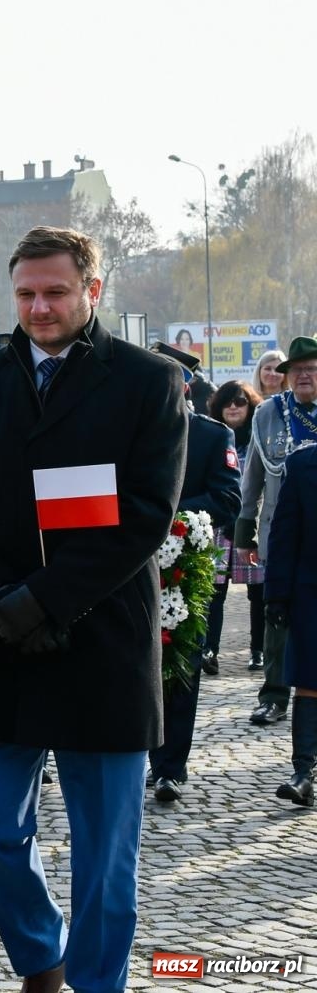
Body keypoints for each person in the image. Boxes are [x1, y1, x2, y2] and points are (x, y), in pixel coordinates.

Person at [0, 225, 186, 993]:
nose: (39, 308)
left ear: (93, 291)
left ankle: (100, 983)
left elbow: (145, 514)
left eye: (55, 292)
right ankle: (42, 955)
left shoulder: (148, 380)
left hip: (101, 640)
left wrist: (44, 599)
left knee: (107, 851)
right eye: (26, 294)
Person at [146, 342, 241, 804]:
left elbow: (228, 499)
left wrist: (171, 515)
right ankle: (132, 757)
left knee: (178, 664)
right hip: (125, 563)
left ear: (185, 384)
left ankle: (169, 768)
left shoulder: (210, 436)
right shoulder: (129, 432)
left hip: (184, 564)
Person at [237, 337, 317, 727]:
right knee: (277, 614)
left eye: (312, 369)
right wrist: (244, 531)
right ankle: (273, 695)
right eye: (297, 370)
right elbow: (252, 474)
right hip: (281, 531)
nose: (303, 375)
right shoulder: (269, 413)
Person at [265, 443, 317, 807]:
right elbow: (284, 535)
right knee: (311, 682)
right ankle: (304, 774)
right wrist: (276, 596)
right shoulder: (302, 465)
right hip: (311, 592)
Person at [207, 380, 267, 670]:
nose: (233, 406)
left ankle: (258, 650)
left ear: (250, 405)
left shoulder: (258, 437)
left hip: (250, 524)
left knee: (259, 593)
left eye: (240, 401)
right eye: (228, 401)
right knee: (214, 591)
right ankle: (210, 650)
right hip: (219, 524)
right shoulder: (213, 437)